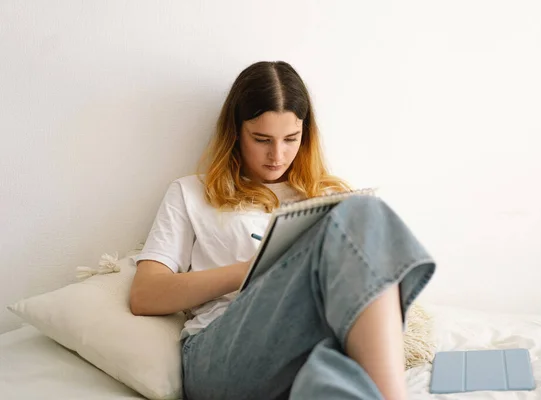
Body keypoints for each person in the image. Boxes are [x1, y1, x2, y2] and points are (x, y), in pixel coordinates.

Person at [129, 61, 436, 400]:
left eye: (291, 139)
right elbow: (145, 295)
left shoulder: (328, 199)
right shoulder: (191, 193)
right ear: (235, 132)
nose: (278, 155)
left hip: (313, 350)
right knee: (364, 213)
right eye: (262, 139)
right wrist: (249, 271)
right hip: (221, 355)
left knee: (335, 383)